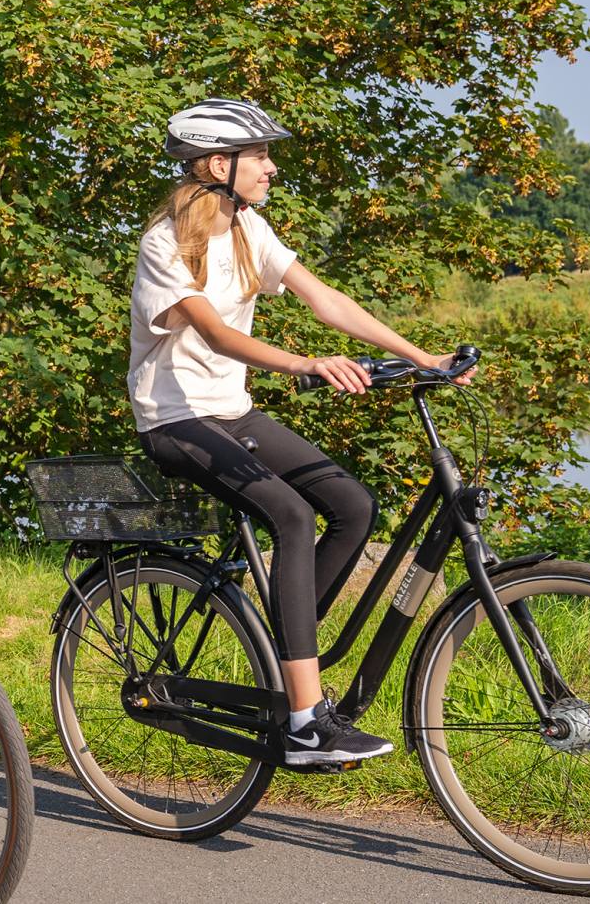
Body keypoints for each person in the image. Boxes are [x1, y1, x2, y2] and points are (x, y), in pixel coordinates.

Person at [128, 99, 475, 765]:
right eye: (259, 155)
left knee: (353, 504)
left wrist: (423, 356)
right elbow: (214, 329)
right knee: (289, 514)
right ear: (215, 163)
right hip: (175, 419)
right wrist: (302, 363)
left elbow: (326, 300)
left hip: (230, 411)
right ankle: (305, 720)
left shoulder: (250, 230)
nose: (271, 167)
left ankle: (289, 647)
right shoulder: (165, 244)